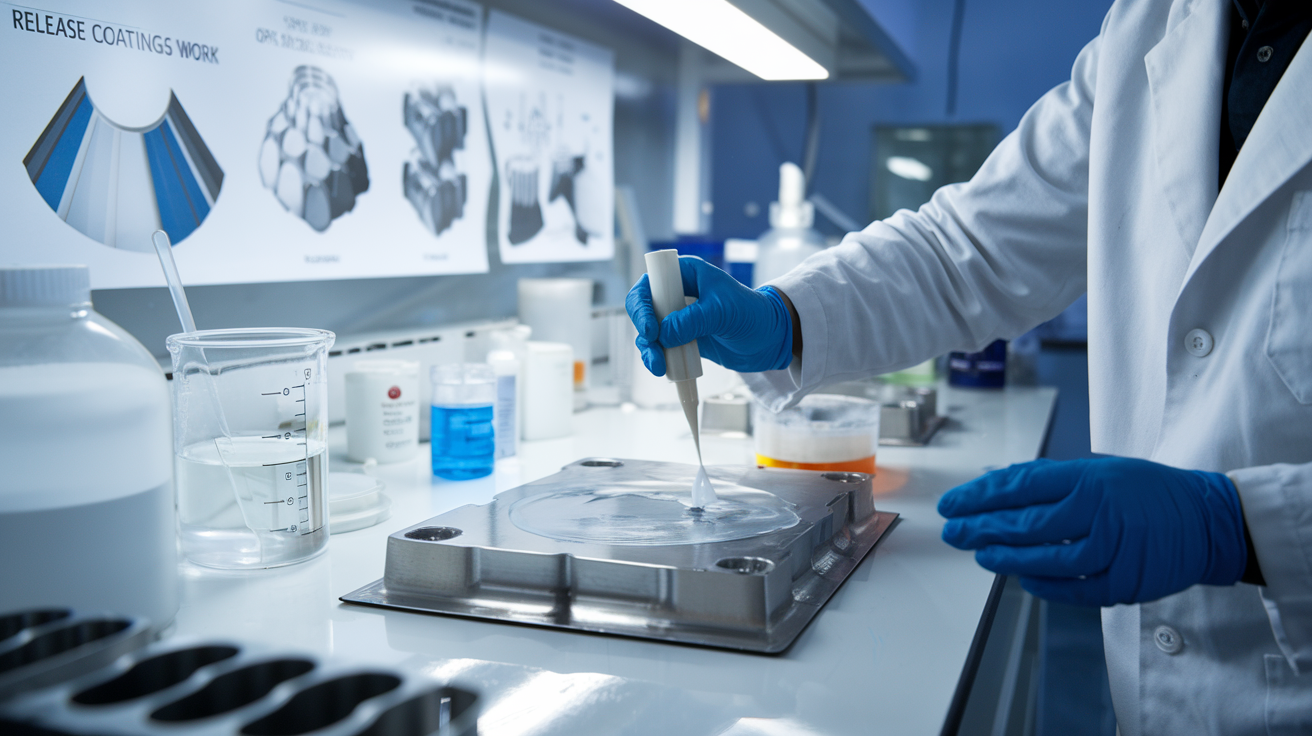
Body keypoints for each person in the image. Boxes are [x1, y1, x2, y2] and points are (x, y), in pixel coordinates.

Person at [626, 1, 1311, 733]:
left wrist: (1244, 528)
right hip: (1153, 690)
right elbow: (971, 248)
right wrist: (785, 319)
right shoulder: (1154, 23)